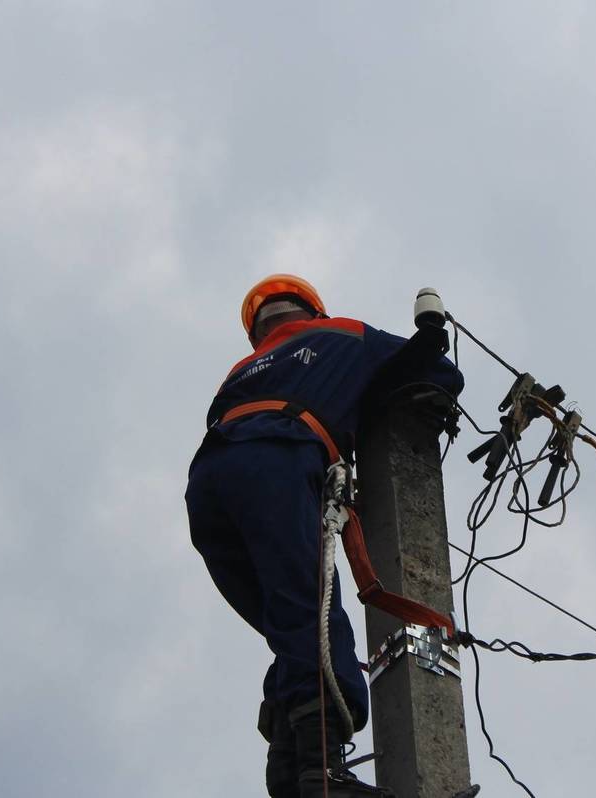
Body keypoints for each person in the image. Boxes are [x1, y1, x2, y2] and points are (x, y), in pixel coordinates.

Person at [185, 274, 463, 798]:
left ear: (256, 330)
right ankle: (324, 779)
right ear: (313, 310)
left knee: (290, 626)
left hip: (209, 484)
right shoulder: (343, 333)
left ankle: (292, 778)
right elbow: (432, 372)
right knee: (314, 620)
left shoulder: (242, 370)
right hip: (275, 459)